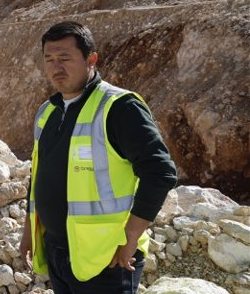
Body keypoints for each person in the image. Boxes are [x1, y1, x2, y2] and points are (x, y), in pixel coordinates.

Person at [19, 21, 177, 294]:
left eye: (65, 58)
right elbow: (39, 175)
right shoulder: (48, 111)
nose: (56, 68)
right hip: (58, 252)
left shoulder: (120, 107)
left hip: (109, 258)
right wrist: (29, 233)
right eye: (49, 59)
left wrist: (130, 237)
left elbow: (160, 172)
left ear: (91, 59)